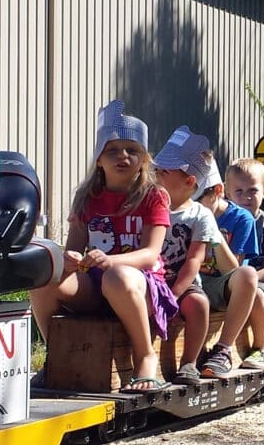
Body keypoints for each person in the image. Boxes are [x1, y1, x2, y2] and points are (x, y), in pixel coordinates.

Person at [31, 103, 173, 395]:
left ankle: (145, 356)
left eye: (132, 150)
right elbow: (74, 250)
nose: (123, 156)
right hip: (96, 285)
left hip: (140, 285)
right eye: (113, 150)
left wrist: (112, 260)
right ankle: (56, 355)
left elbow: (150, 255)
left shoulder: (153, 195)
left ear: (144, 159)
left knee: (117, 276)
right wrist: (69, 259)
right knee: (44, 278)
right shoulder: (87, 197)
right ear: (98, 159)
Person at [152, 129, 219, 384]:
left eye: (164, 172)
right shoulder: (147, 204)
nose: (156, 174)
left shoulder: (199, 215)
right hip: (151, 277)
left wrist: (173, 295)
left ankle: (189, 362)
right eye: (157, 169)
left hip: (182, 281)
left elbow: (194, 260)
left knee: (198, 304)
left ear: (190, 181)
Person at [194, 159, 264, 378]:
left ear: (217, 191)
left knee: (248, 274)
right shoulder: (186, 211)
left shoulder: (241, 218)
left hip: (221, 285)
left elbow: (232, 269)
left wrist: (210, 228)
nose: (192, 204)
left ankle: (223, 348)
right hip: (191, 283)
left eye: (197, 199)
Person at [226, 159, 264, 367]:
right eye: (239, 191)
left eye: (253, 190)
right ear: (228, 193)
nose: (246, 197)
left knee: (257, 294)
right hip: (229, 279)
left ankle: (261, 348)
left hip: (262, 282)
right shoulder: (223, 221)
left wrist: (247, 280)